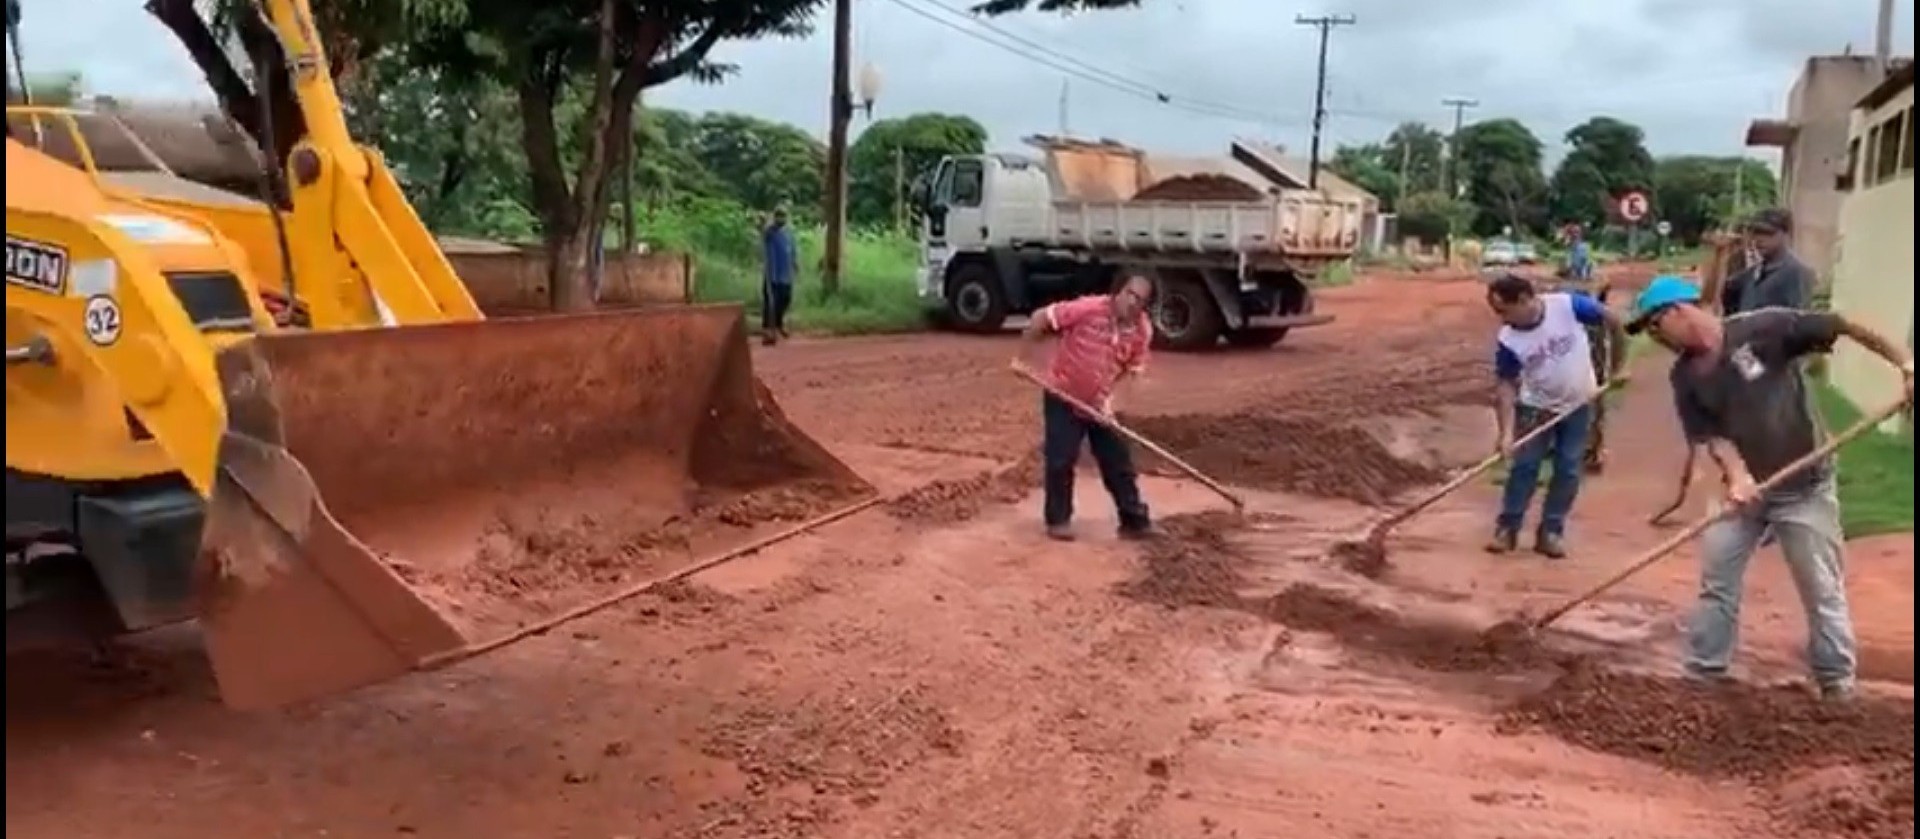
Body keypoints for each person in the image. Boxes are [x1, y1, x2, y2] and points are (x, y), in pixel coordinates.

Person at [1627, 275, 1915, 701]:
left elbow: (1844, 324)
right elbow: (1711, 435)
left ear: (1677, 312)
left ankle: (1836, 685)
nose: (1654, 337)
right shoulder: (1684, 376)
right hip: (1742, 496)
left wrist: (1905, 365)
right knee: (1717, 580)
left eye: (1653, 326)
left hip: (1804, 487)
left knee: (1820, 587)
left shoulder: (1765, 328)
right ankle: (1703, 675)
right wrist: (1738, 475)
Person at [1484, 273, 1629, 559]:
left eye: (1504, 310)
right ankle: (1507, 528)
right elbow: (1505, 386)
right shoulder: (1509, 339)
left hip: (1577, 405)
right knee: (1524, 468)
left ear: (1525, 300)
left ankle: (1551, 532)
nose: (1501, 319)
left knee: (1568, 469)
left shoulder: (1567, 306)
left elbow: (1612, 321)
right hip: (1535, 408)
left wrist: (1619, 366)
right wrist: (1505, 434)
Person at [1012, 275, 1156, 542]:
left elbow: (1133, 374)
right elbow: (1040, 318)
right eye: (1130, 294)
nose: (1132, 303)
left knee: (1118, 462)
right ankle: (1058, 520)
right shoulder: (1088, 309)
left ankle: (1134, 520)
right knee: (1060, 458)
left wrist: (1112, 403)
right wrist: (1022, 359)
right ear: (1118, 291)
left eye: (1141, 300)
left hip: (1099, 404)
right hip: (1063, 396)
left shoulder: (1142, 331)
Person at [1719, 208, 1814, 315]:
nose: (1759, 239)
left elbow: (1797, 318)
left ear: (1785, 234)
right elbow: (1720, 295)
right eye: (1756, 233)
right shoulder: (1752, 274)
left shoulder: (1796, 272)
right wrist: (1721, 254)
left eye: (1768, 233)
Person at [760, 208, 799, 346]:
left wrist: (795, 265)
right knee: (770, 303)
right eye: (778, 217)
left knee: (785, 299)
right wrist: (763, 222)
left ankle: (778, 324)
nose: (781, 219)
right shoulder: (770, 232)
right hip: (772, 274)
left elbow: (792, 250)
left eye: (783, 217)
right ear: (774, 217)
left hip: (785, 274)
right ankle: (768, 330)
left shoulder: (789, 233)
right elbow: (765, 233)